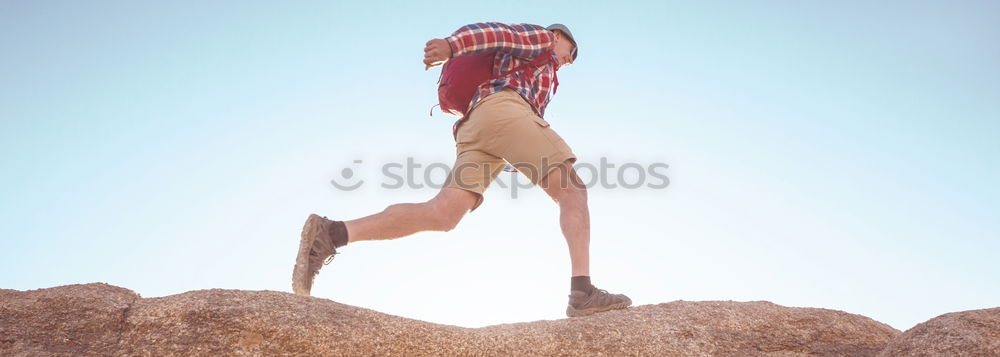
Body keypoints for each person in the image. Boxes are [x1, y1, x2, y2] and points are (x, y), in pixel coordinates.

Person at [292, 22, 631, 317]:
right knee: (572, 189)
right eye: (572, 50)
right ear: (559, 36)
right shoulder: (542, 38)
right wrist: (452, 47)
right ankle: (583, 292)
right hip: (502, 110)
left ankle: (332, 234)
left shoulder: (544, 77)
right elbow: (499, 34)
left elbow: (530, 117)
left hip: (477, 126)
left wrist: (517, 152)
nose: (570, 59)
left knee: (443, 214)